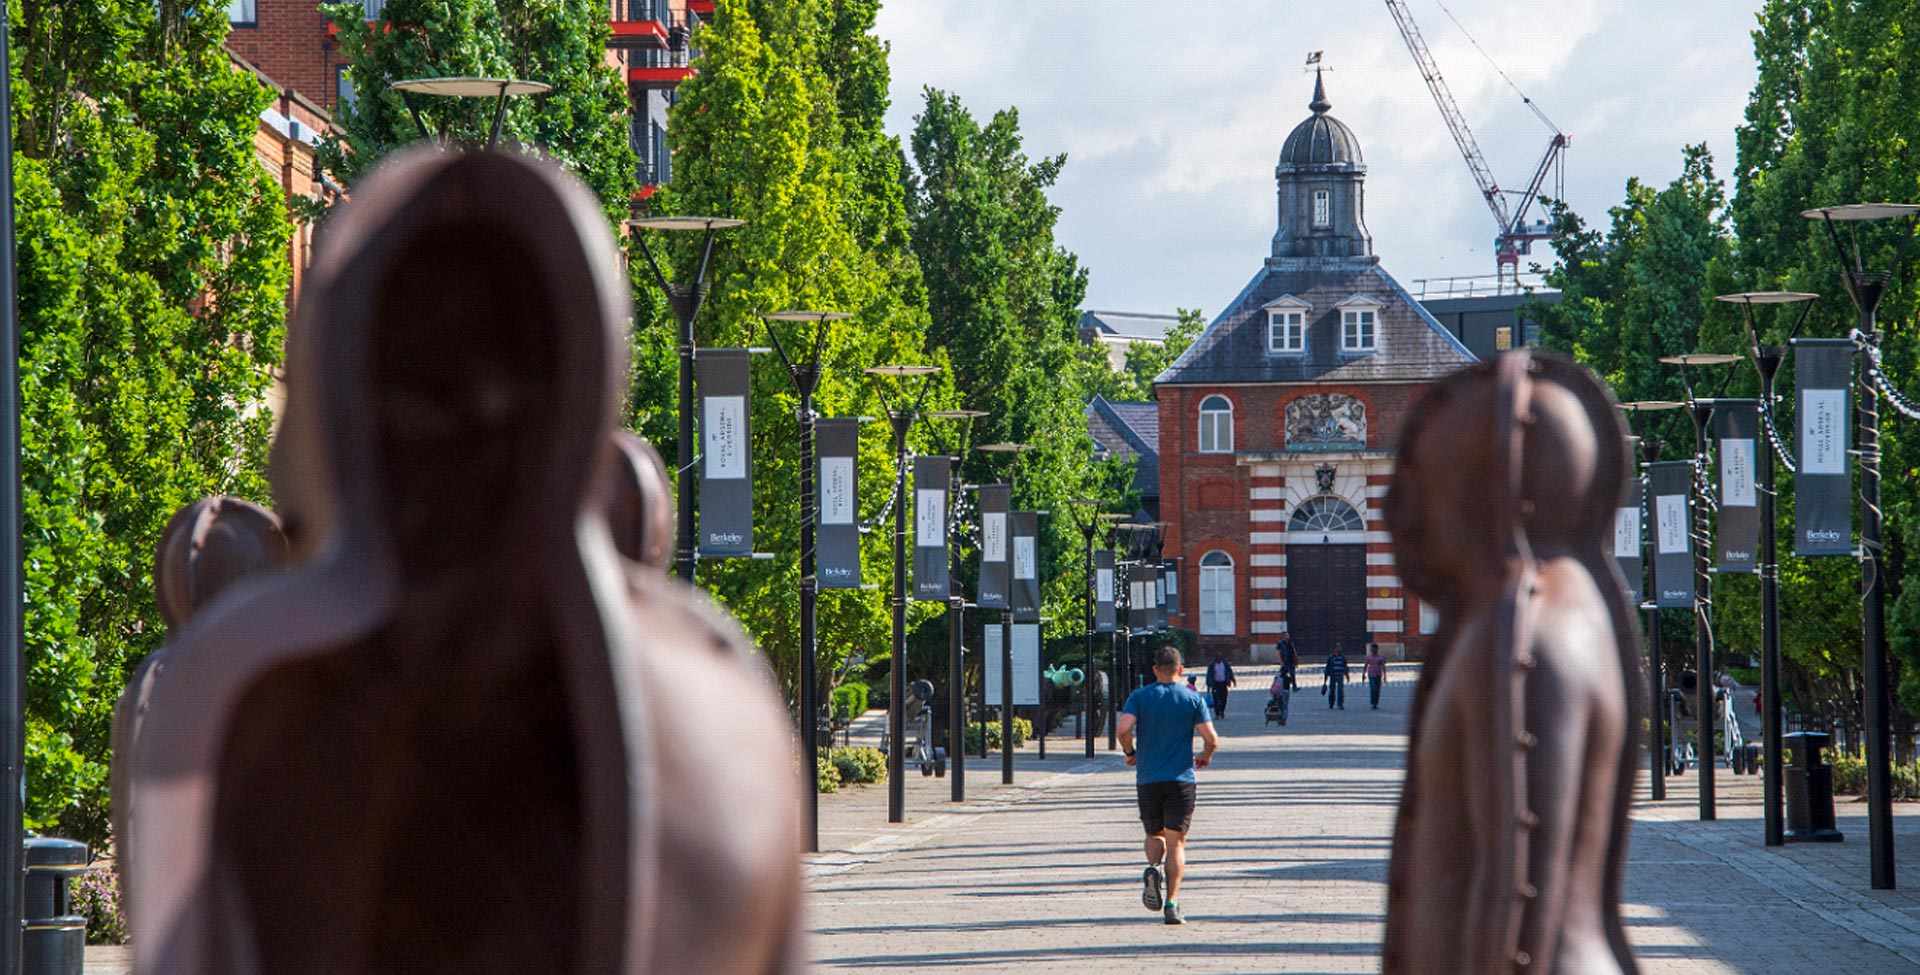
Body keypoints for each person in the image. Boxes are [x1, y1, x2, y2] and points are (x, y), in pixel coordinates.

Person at [1118, 645, 1220, 926]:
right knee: (1177, 842)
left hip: (1148, 778)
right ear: (1181, 669)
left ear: (1154, 670)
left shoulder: (1139, 696)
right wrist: (1205, 756)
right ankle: (1172, 904)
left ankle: (1153, 869)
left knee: (1154, 834)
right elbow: (1211, 739)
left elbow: (1123, 729)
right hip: (1181, 779)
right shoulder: (1191, 698)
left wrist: (1130, 752)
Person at [1324, 644, 1350, 710]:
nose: (1339, 649)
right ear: (1334, 649)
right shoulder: (1331, 657)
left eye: (1340, 648)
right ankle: (1331, 703)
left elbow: (1345, 666)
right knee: (1332, 690)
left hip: (1340, 675)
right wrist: (1325, 678)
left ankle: (1340, 704)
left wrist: (1347, 675)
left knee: (1340, 690)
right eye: (1337, 648)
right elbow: (1327, 667)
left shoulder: (1343, 657)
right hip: (1333, 675)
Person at [1364, 643, 1388, 710]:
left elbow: (1383, 666)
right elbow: (1365, 665)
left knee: (1377, 689)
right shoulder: (1368, 657)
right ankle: (1373, 703)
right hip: (1371, 674)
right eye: (1372, 649)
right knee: (1373, 688)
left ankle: (1375, 703)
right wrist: (1363, 674)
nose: (1373, 650)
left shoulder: (1381, 657)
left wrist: (1385, 676)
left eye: (1374, 648)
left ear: (1377, 649)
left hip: (1378, 674)